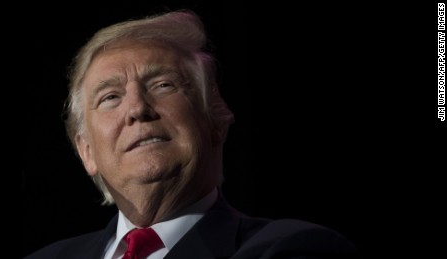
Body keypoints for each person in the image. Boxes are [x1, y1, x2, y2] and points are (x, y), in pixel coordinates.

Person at [24, 9, 361, 259]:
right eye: (110, 97)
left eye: (163, 85)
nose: (138, 109)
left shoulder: (292, 249)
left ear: (215, 120)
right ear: (86, 151)